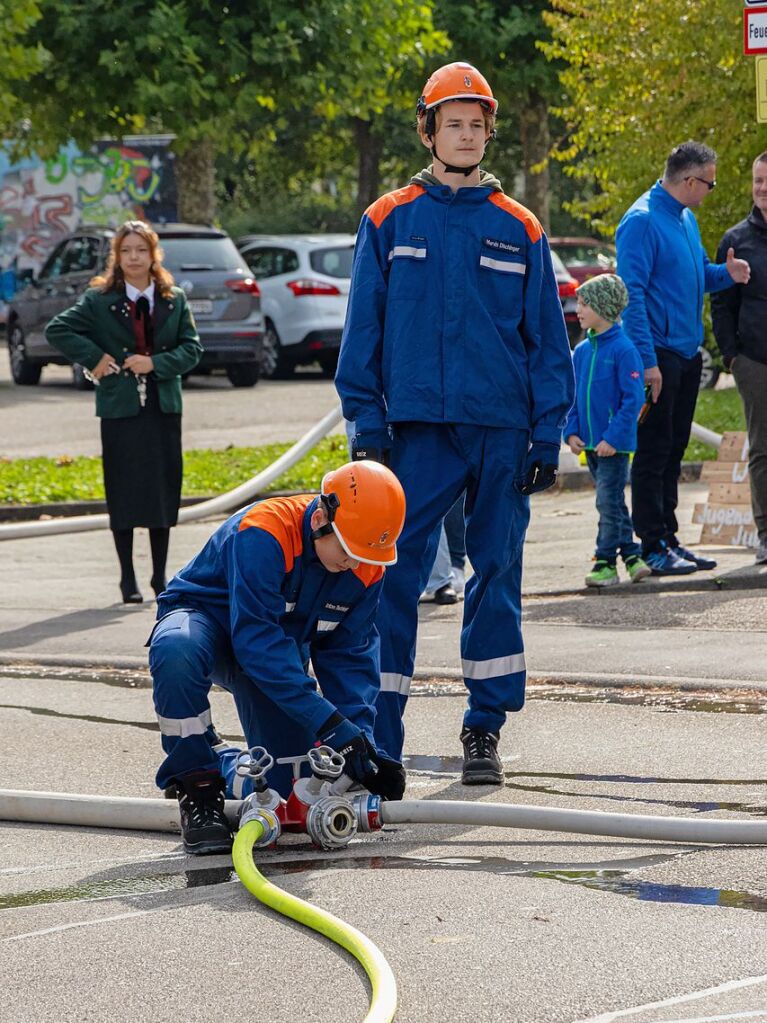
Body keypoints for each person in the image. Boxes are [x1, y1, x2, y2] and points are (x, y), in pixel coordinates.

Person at [335, 62, 574, 785]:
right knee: (390, 574)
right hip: (413, 431)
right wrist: (366, 423)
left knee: (495, 572)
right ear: (428, 129)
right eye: (453, 122)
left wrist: (544, 433)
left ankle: (483, 727)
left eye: (476, 123)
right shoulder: (387, 218)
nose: (466, 134)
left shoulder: (519, 225)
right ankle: (379, 730)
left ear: (487, 132)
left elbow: (545, 339)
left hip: (501, 429)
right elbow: (362, 332)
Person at [148, 461, 408, 854]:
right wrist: (331, 725)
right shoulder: (266, 531)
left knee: (289, 789)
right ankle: (196, 786)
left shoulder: (366, 562)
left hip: (274, 651)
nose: (354, 563)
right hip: (211, 625)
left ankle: (220, 760)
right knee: (176, 650)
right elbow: (255, 639)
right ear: (321, 518)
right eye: (348, 550)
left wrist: (362, 747)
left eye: (365, 554)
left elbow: (350, 657)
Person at [46, 221, 203, 603]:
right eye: (126, 251)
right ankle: (127, 578)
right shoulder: (99, 300)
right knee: (123, 489)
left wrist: (157, 364)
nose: (134, 257)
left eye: (141, 250)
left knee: (163, 490)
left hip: (164, 407)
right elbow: (57, 329)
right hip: (120, 409)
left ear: (154, 254)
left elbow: (193, 348)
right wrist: (95, 359)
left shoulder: (173, 299)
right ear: (116, 257)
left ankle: (159, 576)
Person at [616, 141, 751, 575]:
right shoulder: (641, 222)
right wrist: (647, 360)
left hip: (687, 354)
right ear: (690, 181)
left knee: (673, 451)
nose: (710, 190)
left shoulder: (685, 219)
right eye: (709, 183)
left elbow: (692, 280)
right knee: (654, 452)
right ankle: (651, 544)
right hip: (659, 357)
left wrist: (725, 276)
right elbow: (631, 296)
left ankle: (670, 538)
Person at [564, 274, 650, 587]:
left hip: (613, 446)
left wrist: (612, 438)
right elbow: (573, 396)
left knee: (606, 502)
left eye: (585, 304)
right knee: (612, 501)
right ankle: (632, 555)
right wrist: (571, 431)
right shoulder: (582, 351)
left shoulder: (625, 350)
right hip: (591, 446)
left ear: (603, 307)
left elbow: (633, 400)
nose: (579, 309)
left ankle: (604, 562)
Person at [711, 151, 767, 566]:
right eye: (757, 180)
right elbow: (722, 305)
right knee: (763, 450)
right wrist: (732, 355)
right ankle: (766, 534)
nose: (761, 189)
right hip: (754, 360)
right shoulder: (736, 240)